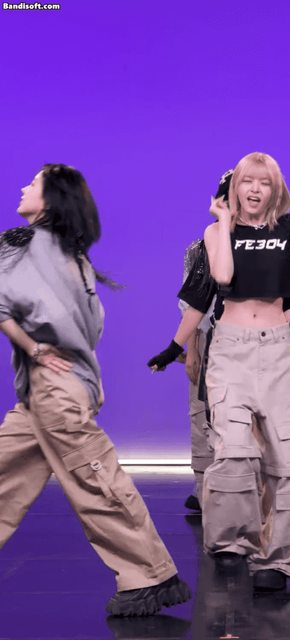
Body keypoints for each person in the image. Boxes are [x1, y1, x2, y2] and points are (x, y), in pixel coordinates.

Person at [148, 153, 290, 591]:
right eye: (247, 181)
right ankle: (230, 543)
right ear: (234, 187)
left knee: (287, 457)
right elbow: (216, 281)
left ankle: (277, 561)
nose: (255, 189)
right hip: (229, 349)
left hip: (276, 352)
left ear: (277, 189)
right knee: (233, 450)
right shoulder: (214, 234)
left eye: (265, 182)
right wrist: (175, 347)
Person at [0, 164, 191, 617]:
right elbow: (92, 325)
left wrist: (34, 346)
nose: (24, 186)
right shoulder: (71, 257)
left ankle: (150, 575)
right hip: (54, 388)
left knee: (96, 480)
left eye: (34, 182)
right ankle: (149, 572)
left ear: (51, 199)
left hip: (56, 390)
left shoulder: (27, 249)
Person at [175, 171, 290, 512]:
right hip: (214, 339)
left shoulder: (278, 243)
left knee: (270, 422)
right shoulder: (202, 246)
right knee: (207, 416)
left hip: (266, 340)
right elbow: (193, 301)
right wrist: (190, 347)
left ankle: (259, 495)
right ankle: (207, 488)